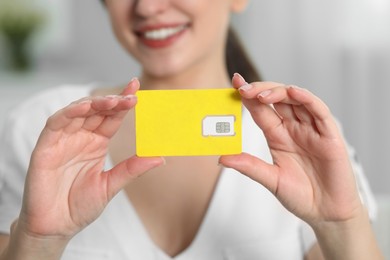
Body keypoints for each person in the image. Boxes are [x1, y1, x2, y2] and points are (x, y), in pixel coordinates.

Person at [0, 0, 384, 259]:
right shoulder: (44, 130)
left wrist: (340, 223)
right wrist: (37, 241)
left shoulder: (305, 145)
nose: (147, 7)